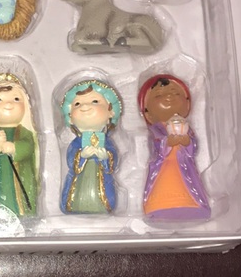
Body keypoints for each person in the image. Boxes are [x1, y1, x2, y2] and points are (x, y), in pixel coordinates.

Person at [138, 74, 211, 219]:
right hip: (164, 167)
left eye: (175, 93)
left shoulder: (187, 129)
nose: (168, 97)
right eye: (158, 95)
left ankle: (192, 203)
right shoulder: (156, 131)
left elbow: (192, 148)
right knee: (164, 185)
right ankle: (160, 205)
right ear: (147, 113)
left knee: (188, 185)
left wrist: (186, 142)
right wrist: (167, 143)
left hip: (183, 166)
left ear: (188, 104)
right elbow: (155, 149)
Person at [0, 73, 39, 217]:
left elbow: (28, 147)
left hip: (21, 178)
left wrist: (14, 148)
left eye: (16, 99)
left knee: (20, 197)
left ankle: (22, 212)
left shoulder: (24, 133)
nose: (9, 104)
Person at [60, 80, 121, 214]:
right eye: (77, 104)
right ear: (70, 117)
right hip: (80, 180)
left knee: (102, 197)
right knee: (78, 194)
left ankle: (101, 206)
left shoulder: (107, 142)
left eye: (95, 101)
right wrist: (82, 155)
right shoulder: (76, 142)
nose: (85, 106)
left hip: (100, 179)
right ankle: (78, 205)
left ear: (110, 111)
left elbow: (113, 157)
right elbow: (70, 158)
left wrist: (105, 156)